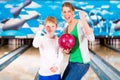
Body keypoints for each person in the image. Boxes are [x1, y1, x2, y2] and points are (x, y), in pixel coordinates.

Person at [61, 2, 95, 80]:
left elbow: (91, 38)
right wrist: (66, 51)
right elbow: (67, 47)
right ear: (62, 13)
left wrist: (83, 20)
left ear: (73, 12)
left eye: (69, 11)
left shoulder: (80, 24)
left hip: (81, 63)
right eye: (64, 12)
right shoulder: (66, 27)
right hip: (71, 61)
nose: (66, 14)